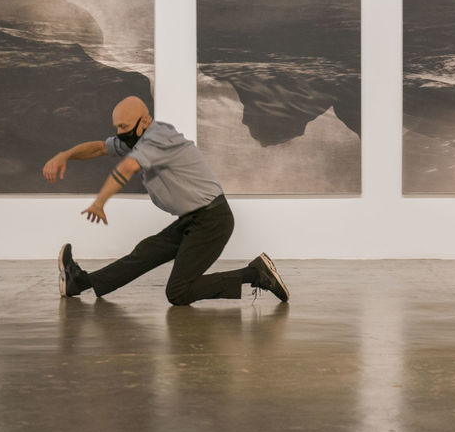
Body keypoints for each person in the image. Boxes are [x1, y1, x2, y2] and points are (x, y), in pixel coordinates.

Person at [41, 96, 290, 305]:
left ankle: (255, 273)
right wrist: (66, 155)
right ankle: (78, 282)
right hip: (192, 219)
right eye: (117, 127)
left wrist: (99, 203)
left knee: (178, 292)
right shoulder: (136, 138)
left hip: (213, 219)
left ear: (145, 121)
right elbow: (99, 148)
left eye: (124, 126)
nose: (119, 133)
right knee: (144, 254)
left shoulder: (159, 136)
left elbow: (128, 167)